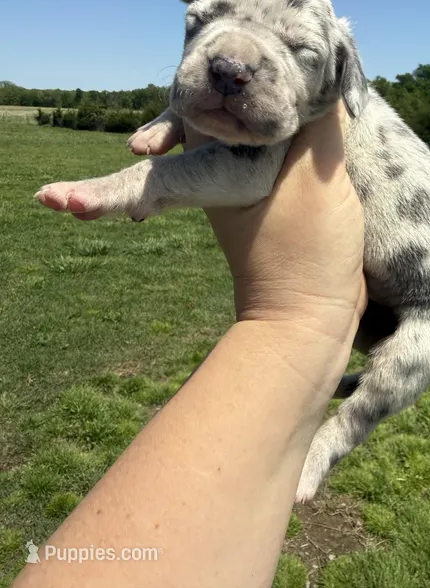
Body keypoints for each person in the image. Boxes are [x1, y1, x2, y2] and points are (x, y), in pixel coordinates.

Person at [14, 101, 366, 588]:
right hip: (337, 293)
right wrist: (174, 118)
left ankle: (330, 446)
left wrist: (298, 315)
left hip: (417, 294)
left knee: (374, 391)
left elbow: (246, 164)